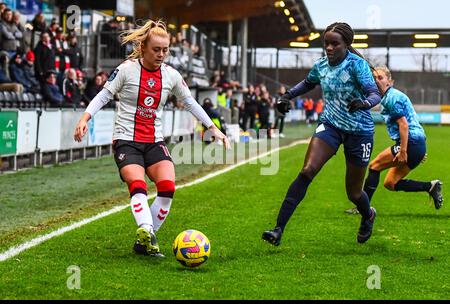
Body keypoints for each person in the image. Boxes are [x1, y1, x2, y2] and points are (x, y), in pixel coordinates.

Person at [73, 19, 229, 257]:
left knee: (167, 188)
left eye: (165, 50)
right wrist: (85, 118)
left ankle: (144, 241)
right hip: (126, 140)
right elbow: (104, 95)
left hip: (154, 141)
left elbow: (189, 102)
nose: (161, 54)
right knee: (138, 186)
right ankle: (146, 229)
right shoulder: (126, 70)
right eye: (156, 49)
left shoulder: (171, 75)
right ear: (143, 47)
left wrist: (212, 127)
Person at [262, 22, 382, 246]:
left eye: (334, 44)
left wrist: (364, 103)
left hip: (360, 132)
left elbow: (375, 94)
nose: (329, 48)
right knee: (307, 170)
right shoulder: (321, 66)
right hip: (331, 126)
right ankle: (278, 229)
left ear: (346, 44)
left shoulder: (357, 65)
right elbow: (308, 83)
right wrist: (287, 96)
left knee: (354, 193)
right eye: (326, 43)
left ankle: (368, 215)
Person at [344, 66, 443, 215]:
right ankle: (430, 186)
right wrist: (419, 150)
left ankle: (362, 208)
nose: (377, 81)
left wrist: (404, 150)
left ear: (390, 82)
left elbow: (403, 124)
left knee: (374, 166)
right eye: (374, 78)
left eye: (380, 78)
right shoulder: (389, 97)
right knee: (391, 183)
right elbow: (413, 123)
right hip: (416, 144)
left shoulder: (391, 97)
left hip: (411, 143)